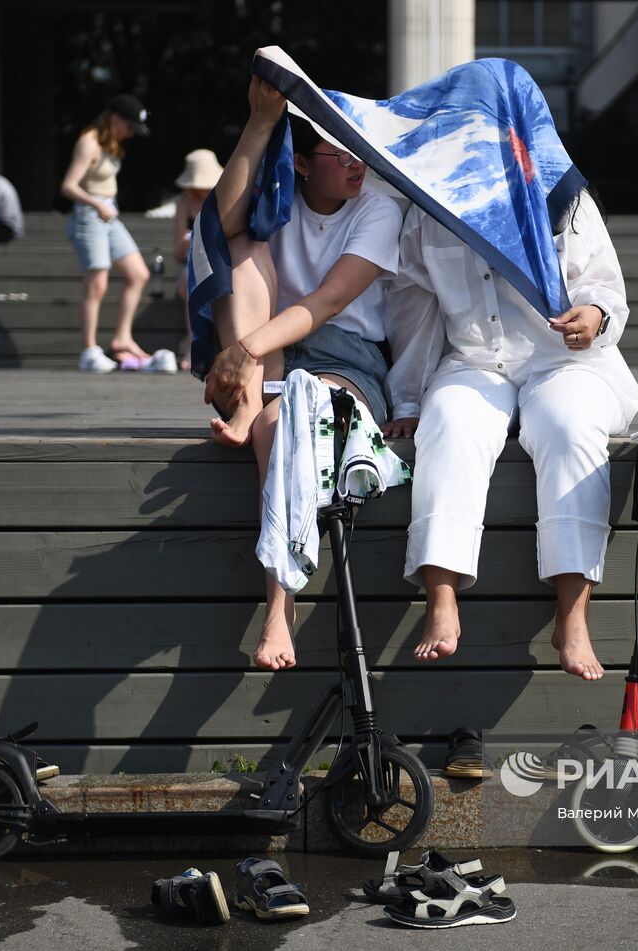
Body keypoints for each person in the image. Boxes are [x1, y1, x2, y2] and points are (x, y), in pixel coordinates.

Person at [382, 189, 638, 682]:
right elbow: (413, 307)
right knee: (450, 421)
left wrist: (595, 317)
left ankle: (572, 614)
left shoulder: (566, 195)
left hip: (566, 360)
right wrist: (411, 399)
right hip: (476, 360)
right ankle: (441, 595)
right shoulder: (428, 204)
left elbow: (605, 290)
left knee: (569, 424)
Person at [200, 77, 404, 671]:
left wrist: (243, 350)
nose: (354, 163)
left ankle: (280, 600)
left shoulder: (379, 209)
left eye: (357, 150)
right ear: (303, 165)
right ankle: (249, 405)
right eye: (337, 153)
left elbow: (329, 302)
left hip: (347, 361)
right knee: (239, 248)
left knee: (285, 424)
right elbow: (220, 221)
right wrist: (261, 123)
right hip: (276, 358)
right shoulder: (281, 194)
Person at [59, 93, 153, 372]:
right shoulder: (88, 143)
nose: (131, 135)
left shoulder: (110, 144)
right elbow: (68, 186)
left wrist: (105, 204)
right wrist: (96, 203)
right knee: (97, 283)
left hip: (107, 213)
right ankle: (89, 350)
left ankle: (122, 338)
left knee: (139, 274)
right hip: (90, 215)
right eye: (129, 128)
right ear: (115, 120)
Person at [173, 148, 223, 369]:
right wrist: (188, 241)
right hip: (192, 265)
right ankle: (195, 344)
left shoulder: (223, 196)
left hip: (219, 262)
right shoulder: (184, 203)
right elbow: (177, 254)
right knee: (189, 279)